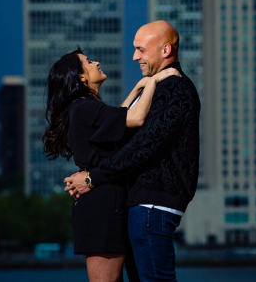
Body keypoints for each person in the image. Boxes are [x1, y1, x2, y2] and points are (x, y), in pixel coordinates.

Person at [64, 21, 201, 282]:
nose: (134, 56)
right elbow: (122, 130)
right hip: (141, 204)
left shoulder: (174, 88)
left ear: (165, 50)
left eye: (140, 49)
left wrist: (92, 178)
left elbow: (144, 146)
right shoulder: (157, 85)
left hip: (154, 204)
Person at [44, 47, 179, 282]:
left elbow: (117, 118)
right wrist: (153, 81)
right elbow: (135, 118)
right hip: (102, 205)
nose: (96, 62)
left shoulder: (84, 108)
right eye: (88, 61)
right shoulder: (85, 107)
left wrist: (139, 86)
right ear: (81, 77)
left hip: (103, 200)